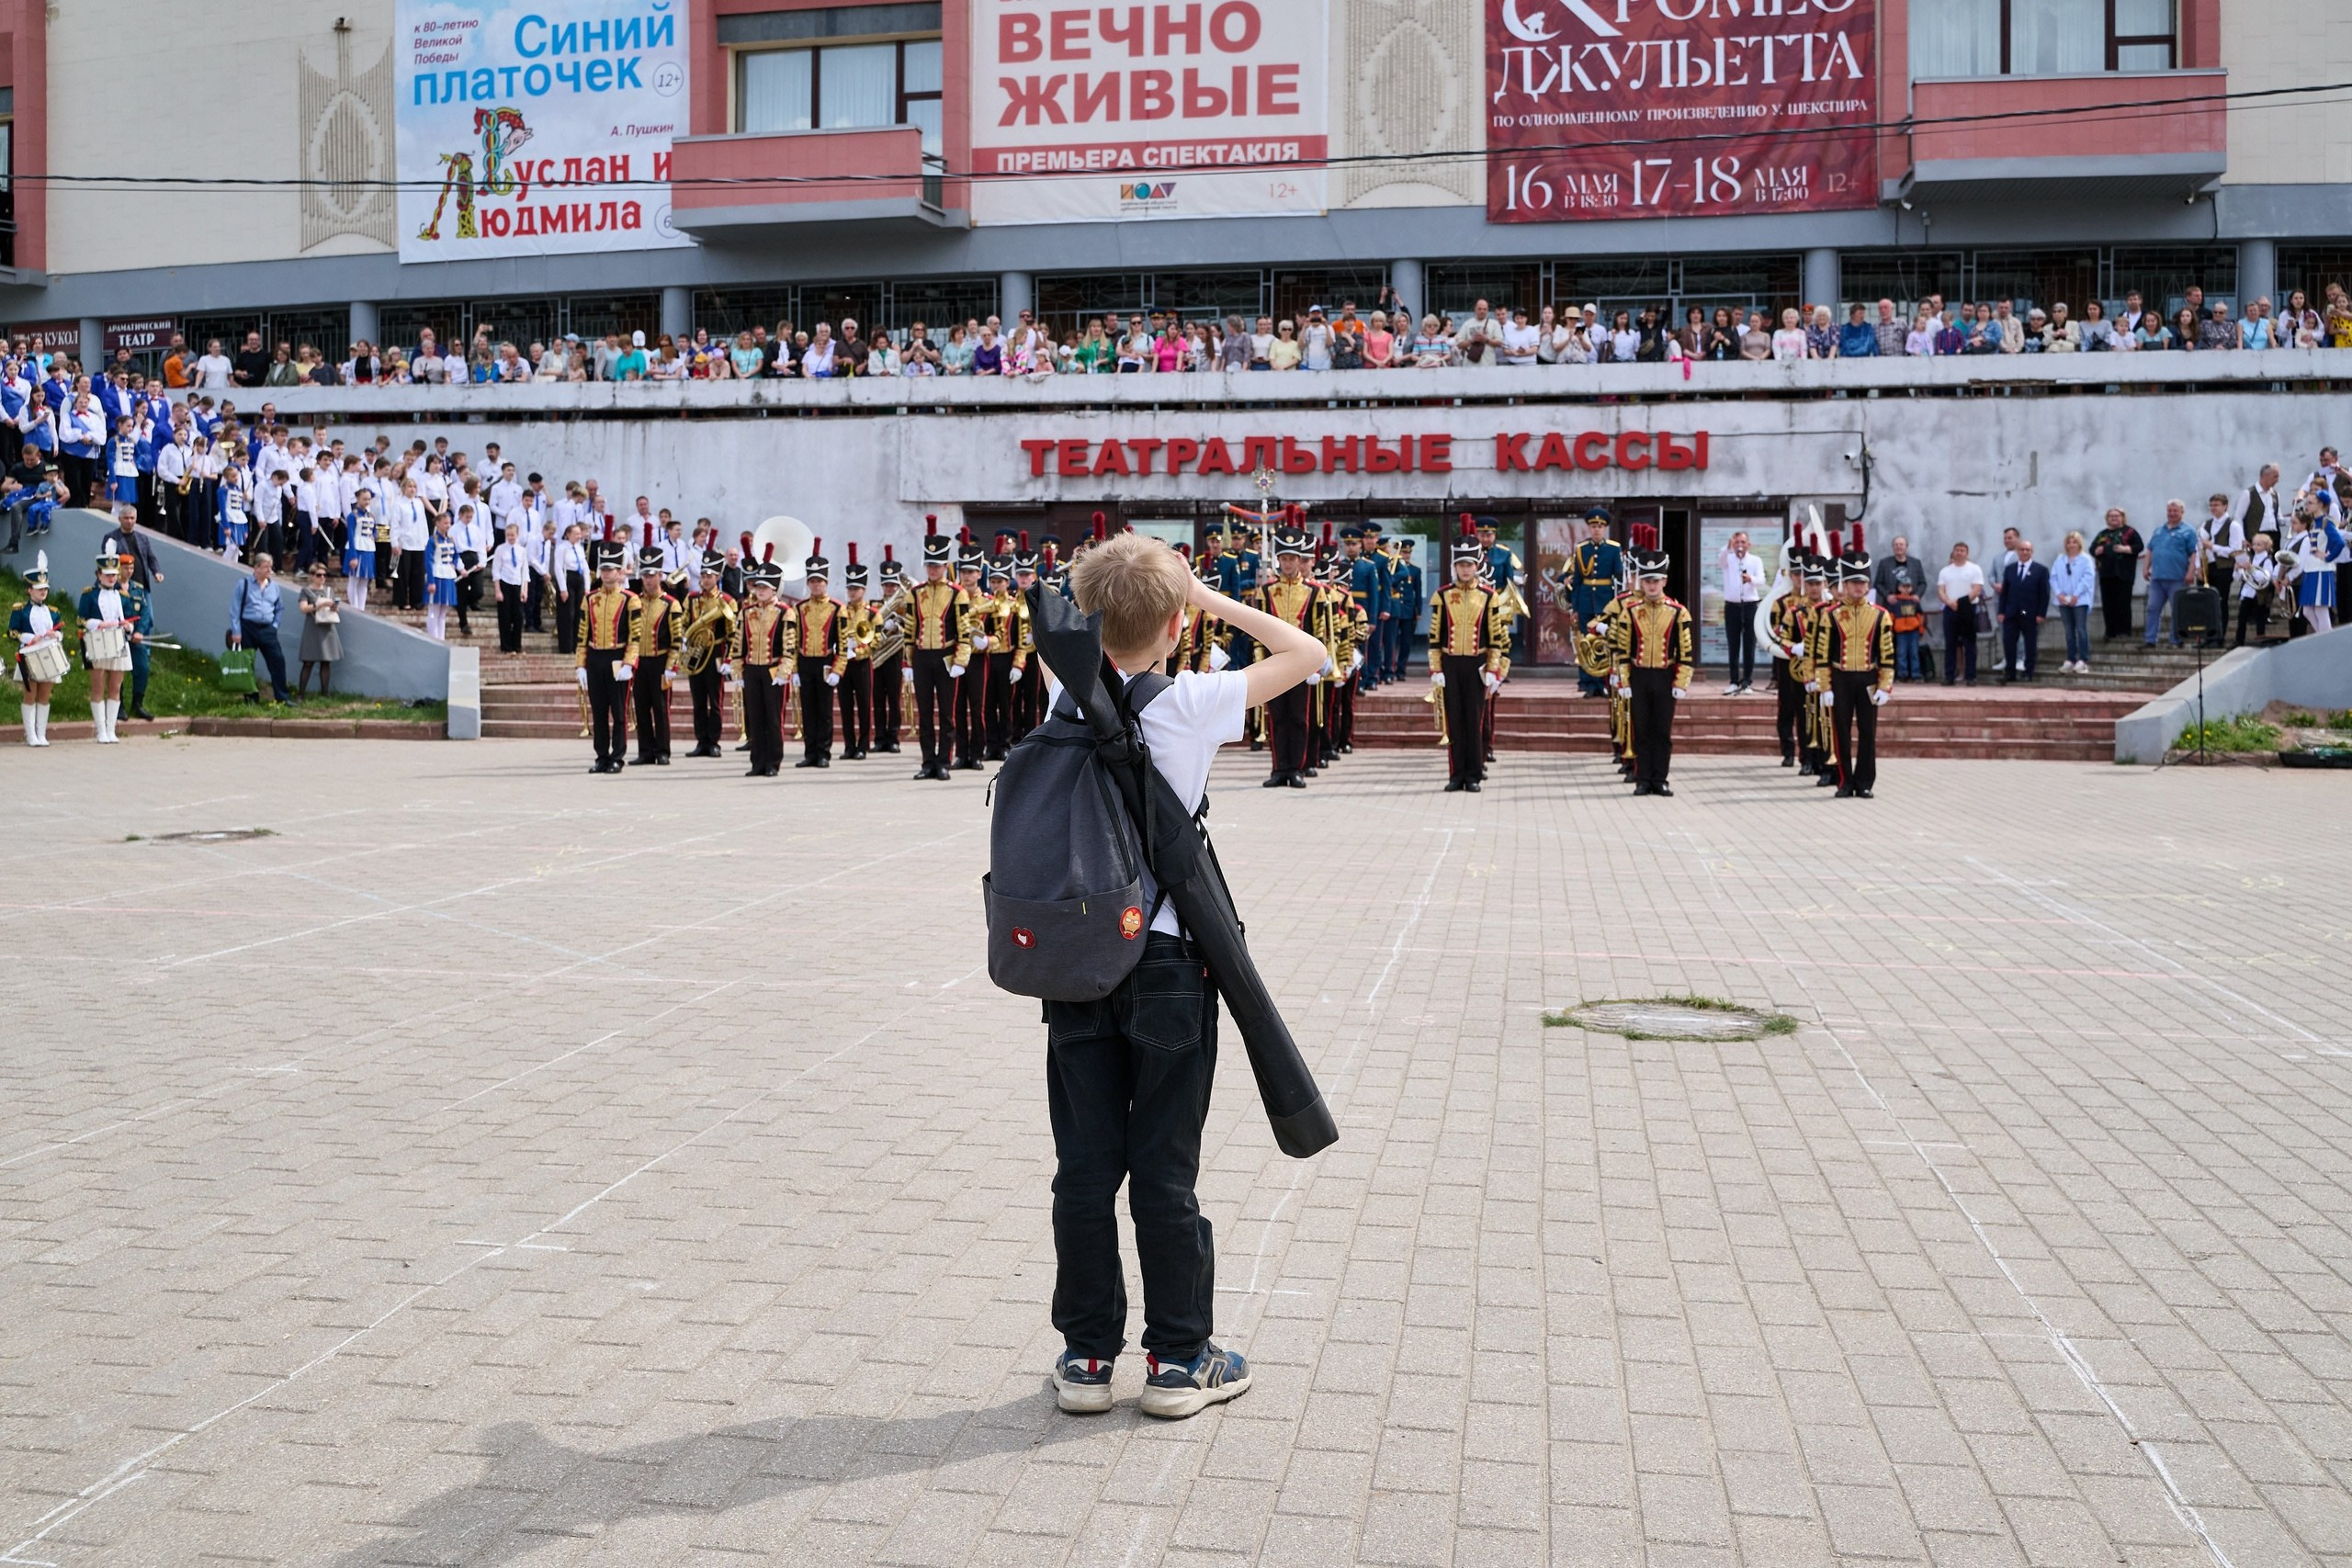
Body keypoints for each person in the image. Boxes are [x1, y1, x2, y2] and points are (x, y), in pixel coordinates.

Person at [1046, 528, 1320, 1420]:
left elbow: (1074, 626)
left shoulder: (1055, 686)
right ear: (1173, 626)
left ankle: (1086, 1359)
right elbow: (1308, 652)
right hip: (1167, 959)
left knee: (1084, 1169)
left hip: (1079, 960)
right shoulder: (1195, 701)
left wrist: (1111, 599)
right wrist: (1201, 596)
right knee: (1165, 1167)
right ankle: (1177, 1359)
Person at [1428, 529, 1510, 793]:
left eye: (1469, 565)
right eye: (1460, 565)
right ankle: (1456, 774)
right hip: (1451, 664)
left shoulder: (1488, 596)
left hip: (1477, 665)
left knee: (1474, 721)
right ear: (1455, 567)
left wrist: (1494, 670)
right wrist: (1435, 668)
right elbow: (1434, 635)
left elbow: (1496, 635)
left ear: (1477, 566)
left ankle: (1473, 774)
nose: (1465, 569)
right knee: (1454, 721)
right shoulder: (1442, 595)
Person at [1815, 553, 1894, 798]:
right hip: (1841, 678)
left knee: (1868, 732)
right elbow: (1822, 654)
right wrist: (1824, 687)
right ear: (1845, 585)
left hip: (1869, 678)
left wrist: (1885, 686)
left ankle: (1865, 782)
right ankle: (1844, 781)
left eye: (1862, 583)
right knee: (1840, 731)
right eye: (1853, 582)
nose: (1858, 587)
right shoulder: (1831, 615)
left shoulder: (1881, 615)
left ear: (1868, 585)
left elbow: (1887, 654)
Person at [1617, 549, 1691, 797]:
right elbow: (1622, 649)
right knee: (1641, 729)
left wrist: (1682, 681)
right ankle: (1643, 778)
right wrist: (1623, 679)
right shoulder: (1631, 611)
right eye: (1647, 580)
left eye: (1655, 580)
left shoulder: (1678, 611)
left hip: (1664, 675)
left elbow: (1686, 651)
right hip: (1638, 676)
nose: (1651, 585)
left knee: (1662, 731)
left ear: (1664, 582)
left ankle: (1660, 779)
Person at [1252, 525, 1320, 787]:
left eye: (1293, 558)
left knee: (1299, 717)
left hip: (1303, 664)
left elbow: (1319, 629)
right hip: (1274, 663)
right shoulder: (1267, 591)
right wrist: (1260, 660)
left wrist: (1317, 665)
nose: (1289, 563)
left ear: (1299, 561)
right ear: (1278, 560)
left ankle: (1297, 768)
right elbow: (1257, 628)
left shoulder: (1314, 592)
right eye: (1285, 558)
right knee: (1278, 716)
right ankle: (1279, 768)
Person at [907, 526, 972, 781]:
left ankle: (943, 761)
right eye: (929, 565)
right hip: (922, 656)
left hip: (946, 657)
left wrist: (961, 659)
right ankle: (927, 761)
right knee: (924, 712)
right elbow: (910, 629)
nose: (933, 570)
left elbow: (964, 630)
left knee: (947, 712)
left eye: (937, 565)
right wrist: (907, 660)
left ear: (946, 565)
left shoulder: (958, 593)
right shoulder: (916, 593)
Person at [574, 542, 639, 773]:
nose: (607, 573)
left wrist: (629, 662)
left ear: (620, 572)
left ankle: (617, 756)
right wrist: (580, 664)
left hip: (617, 658)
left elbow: (636, 635)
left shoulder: (630, 599)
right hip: (595, 658)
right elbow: (582, 633)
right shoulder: (590, 598)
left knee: (619, 712)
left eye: (611, 569)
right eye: (604, 569)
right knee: (599, 710)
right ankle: (601, 756)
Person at [789, 546, 844, 767]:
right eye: (812, 581)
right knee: (807, 710)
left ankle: (823, 753)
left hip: (825, 662)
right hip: (805, 661)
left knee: (824, 711)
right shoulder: (799, 608)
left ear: (826, 582)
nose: (816, 585)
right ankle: (809, 752)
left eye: (819, 581)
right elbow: (793, 641)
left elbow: (843, 643)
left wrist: (838, 669)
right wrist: (794, 669)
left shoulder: (836, 608)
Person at [627, 547, 680, 765]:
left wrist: (671, 666)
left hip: (661, 660)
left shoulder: (670, 603)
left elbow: (677, 638)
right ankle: (645, 750)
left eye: (652, 575)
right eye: (645, 575)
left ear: (660, 576)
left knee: (661, 707)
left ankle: (663, 750)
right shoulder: (636, 601)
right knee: (641, 706)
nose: (648, 580)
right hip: (640, 661)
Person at [10, 551, 66, 745]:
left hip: (48, 655)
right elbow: (12, 632)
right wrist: (29, 638)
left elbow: (60, 633)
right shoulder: (20, 610)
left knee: (45, 694)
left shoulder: (54, 612)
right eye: (39, 588)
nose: (43, 592)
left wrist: (56, 635)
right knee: (30, 693)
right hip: (29, 655)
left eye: (45, 588)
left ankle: (41, 733)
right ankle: (30, 734)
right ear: (29, 590)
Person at [227, 552, 294, 707]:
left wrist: (275, 625)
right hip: (248, 627)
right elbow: (234, 609)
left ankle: (282, 697)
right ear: (256, 568)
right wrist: (236, 631)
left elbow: (280, 608)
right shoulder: (243, 584)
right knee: (247, 664)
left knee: (277, 661)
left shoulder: (274, 587)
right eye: (265, 567)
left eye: (270, 567)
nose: (269, 570)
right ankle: (251, 698)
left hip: (268, 629)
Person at [2143, 501, 2199, 646]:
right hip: (2157, 578)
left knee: (2178, 610)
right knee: (2152, 608)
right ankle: (2150, 640)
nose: (2172, 513)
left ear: (2182, 512)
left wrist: (2190, 572)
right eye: (2170, 510)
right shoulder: (2158, 530)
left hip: (2178, 578)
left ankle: (2176, 639)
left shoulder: (2188, 531)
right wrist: (2145, 568)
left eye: (2175, 511)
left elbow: (2194, 553)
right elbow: (2150, 550)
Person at [1718, 531, 1765, 694]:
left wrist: (1750, 579)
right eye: (1737, 542)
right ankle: (1733, 680)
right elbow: (1721, 559)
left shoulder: (1755, 560)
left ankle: (1747, 682)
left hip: (1750, 605)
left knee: (1749, 644)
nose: (1740, 545)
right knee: (1733, 644)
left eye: (1743, 542)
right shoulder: (1728, 559)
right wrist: (1728, 546)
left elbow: (1762, 580)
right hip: (1732, 605)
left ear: (1748, 544)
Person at [1999, 538, 2050, 682]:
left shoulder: (2040, 570)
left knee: (2030, 643)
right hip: (2011, 613)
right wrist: (2001, 611)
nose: (2024, 552)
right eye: (2022, 549)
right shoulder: (2010, 569)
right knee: (2009, 643)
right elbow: (2004, 593)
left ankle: (2028, 671)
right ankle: (2010, 672)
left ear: (2032, 552)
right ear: (2017, 551)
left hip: (2029, 613)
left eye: (2028, 550)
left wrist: (2041, 613)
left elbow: (2044, 594)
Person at [2088, 509, 2143, 639]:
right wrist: (2097, 550)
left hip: (2124, 573)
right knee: (2108, 604)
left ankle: (2124, 631)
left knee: (2123, 603)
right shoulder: (2103, 534)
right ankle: (2110, 631)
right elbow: (2092, 549)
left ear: (2123, 518)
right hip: (2106, 574)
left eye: (2116, 516)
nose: (2113, 518)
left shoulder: (2130, 532)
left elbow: (2139, 546)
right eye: (2111, 516)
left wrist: (2125, 549)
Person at [1937, 541, 1984, 686]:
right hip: (1950, 609)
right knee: (1950, 644)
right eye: (1957, 550)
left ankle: (1971, 677)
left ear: (1967, 553)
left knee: (1969, 644)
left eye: (1962, 550)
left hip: (1968, 609)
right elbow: (1940, 590)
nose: (1959, 553)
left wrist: (1961, 602)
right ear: (1953, 552)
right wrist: (1949, 602)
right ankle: (1949, 676)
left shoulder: (1974, 569)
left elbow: (1977, 589)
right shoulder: (1945, 571)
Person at [2050, 533, 2096, 674]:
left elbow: (2087, 578)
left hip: (2080, 600)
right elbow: (2053, 578)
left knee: (2081, 629)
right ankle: (2070, 659)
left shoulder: (2086, 559)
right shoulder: (2060, 560)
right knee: (2069, 631)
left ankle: (2083, 659)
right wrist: (2059, 594)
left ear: (2079, 544)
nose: (2071, 545)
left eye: (2074, 542)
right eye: (2069, 542)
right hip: (2063, 600)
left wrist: (2076, 594)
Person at [296, 560, 343, 695]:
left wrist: (334, 606)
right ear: (312, 576)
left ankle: (325, 693)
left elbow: (335, 609)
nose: (322, 577)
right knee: (308, 662)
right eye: (319, 575)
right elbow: (303, 608)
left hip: (327, 627)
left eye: (324, 575)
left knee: (326, 662)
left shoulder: (329, 591)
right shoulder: (306, 591)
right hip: (313, 627)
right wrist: (320, 605)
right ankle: (301, 693)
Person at [492, 521, 531, 655]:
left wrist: (525, 590)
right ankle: (506, 646)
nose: (510, 538)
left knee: (518, 617)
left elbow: (525, 571)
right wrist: (498, 590)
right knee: (505, 616)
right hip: (504, 582)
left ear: (517, 535)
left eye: (512, 535)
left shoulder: (522, 551)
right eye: (508, 535)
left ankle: (517, 646)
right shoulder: (500, 549)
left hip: (517, 583)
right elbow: (496, 570)